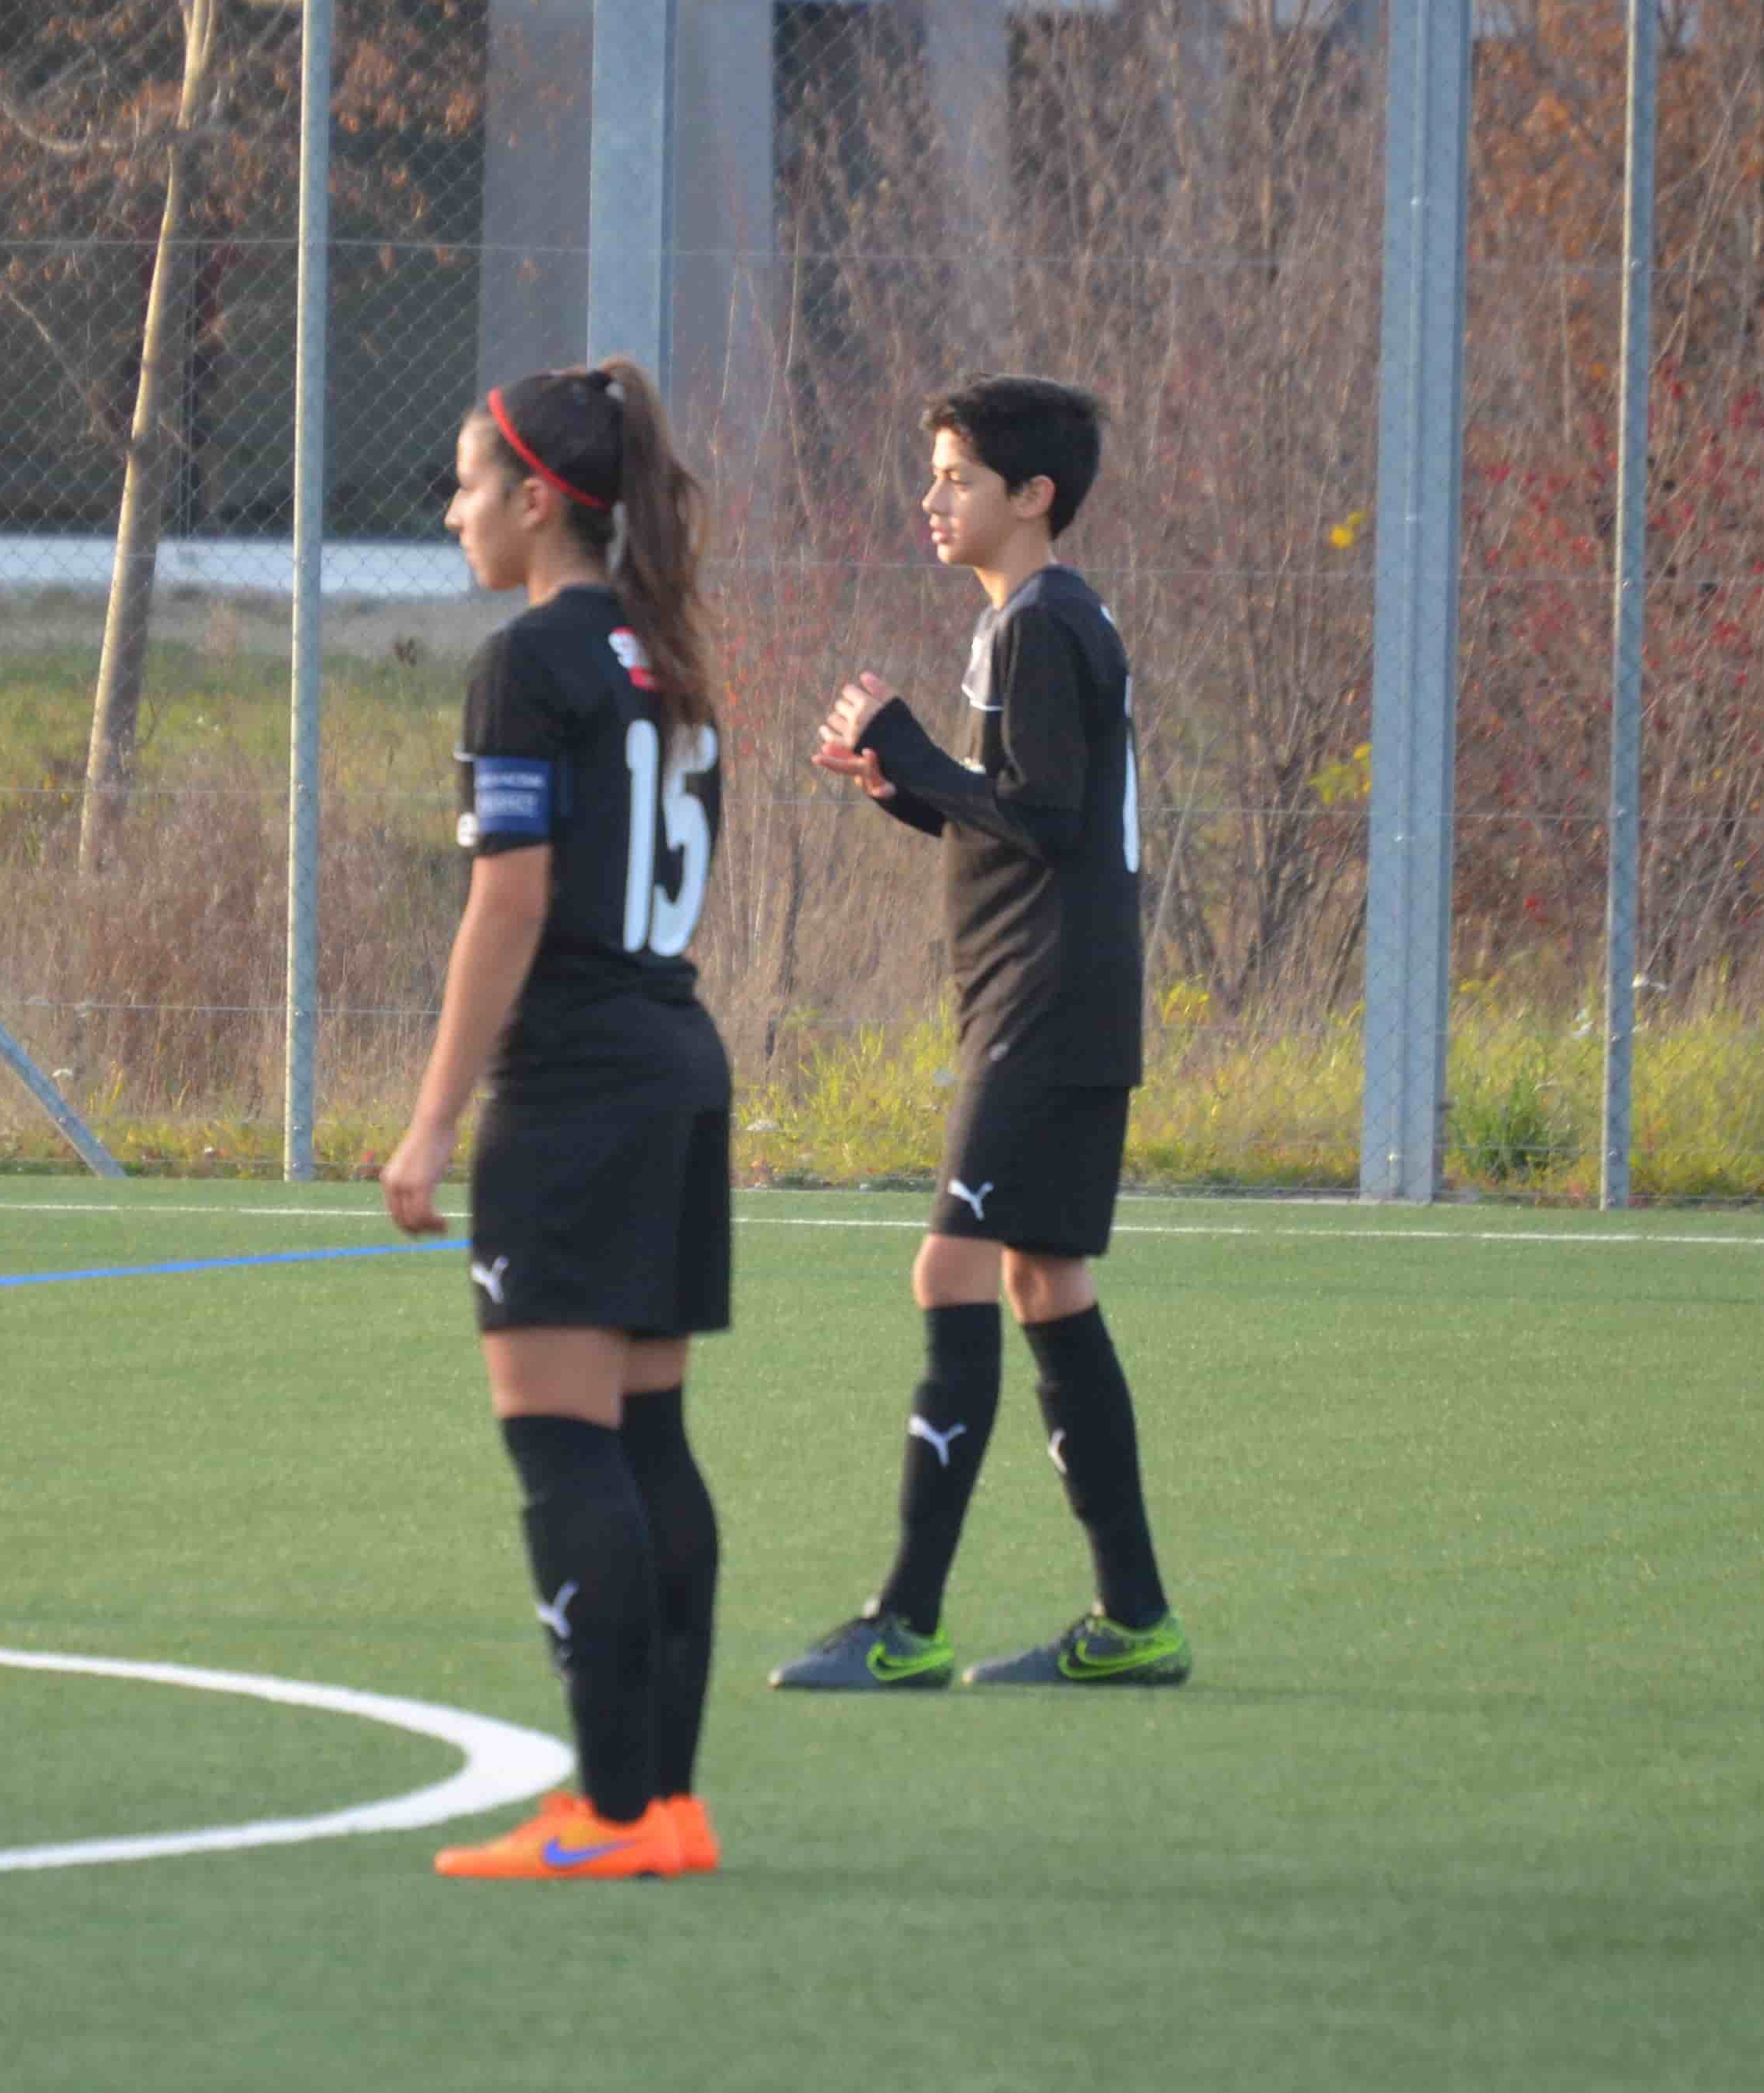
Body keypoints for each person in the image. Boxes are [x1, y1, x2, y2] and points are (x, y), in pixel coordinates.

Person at [769, 375, 1186, 1692]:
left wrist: (907, 744)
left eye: (956, 474)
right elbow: (1016, 819)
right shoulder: (1037, 619)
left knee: (947, 1272)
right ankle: (1133, 1616)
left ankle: (905, 1617)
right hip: (1067, 995)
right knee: (1041, 1281)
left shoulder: (1037, 623)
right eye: (934, 472)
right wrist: (901, 781)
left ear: (1032, 495)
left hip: (1041, 1003)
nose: (931, 496)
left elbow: (1043, 818)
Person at [385, 360, 731, 1881]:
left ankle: (605, 1813)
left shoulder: (531, 658)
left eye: (466, 482)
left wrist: (427, 1123)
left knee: (562, 1451)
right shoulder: (668, 657)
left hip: (581, 1082)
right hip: (674, 1057)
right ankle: (662, 1803)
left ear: (536, 500)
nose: (453, 509)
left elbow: (509, 900)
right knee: (647, 1438)